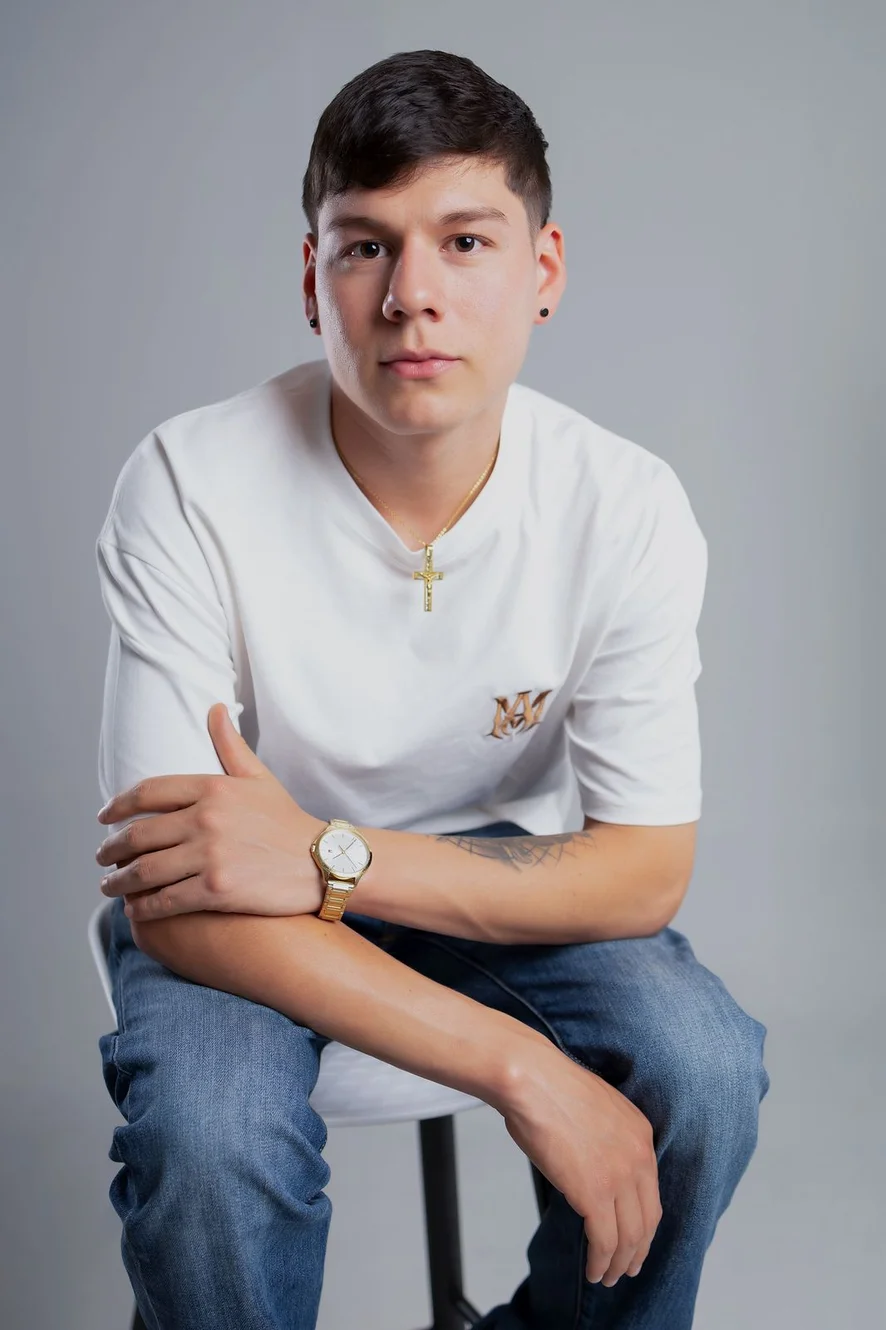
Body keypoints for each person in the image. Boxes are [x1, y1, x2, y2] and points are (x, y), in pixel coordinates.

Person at [94, 47, 770, 1330]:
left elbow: (641, 871)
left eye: (464, 242)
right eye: (365, 247)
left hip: (442, 870)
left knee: (703, 1069)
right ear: (312, 279)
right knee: (210, 1139)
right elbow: (172, 895)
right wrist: (518, 1063)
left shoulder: (623, 506)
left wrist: (320, 855)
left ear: (542, 271)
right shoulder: (189, 482)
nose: (412, 297)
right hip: (230, 907)